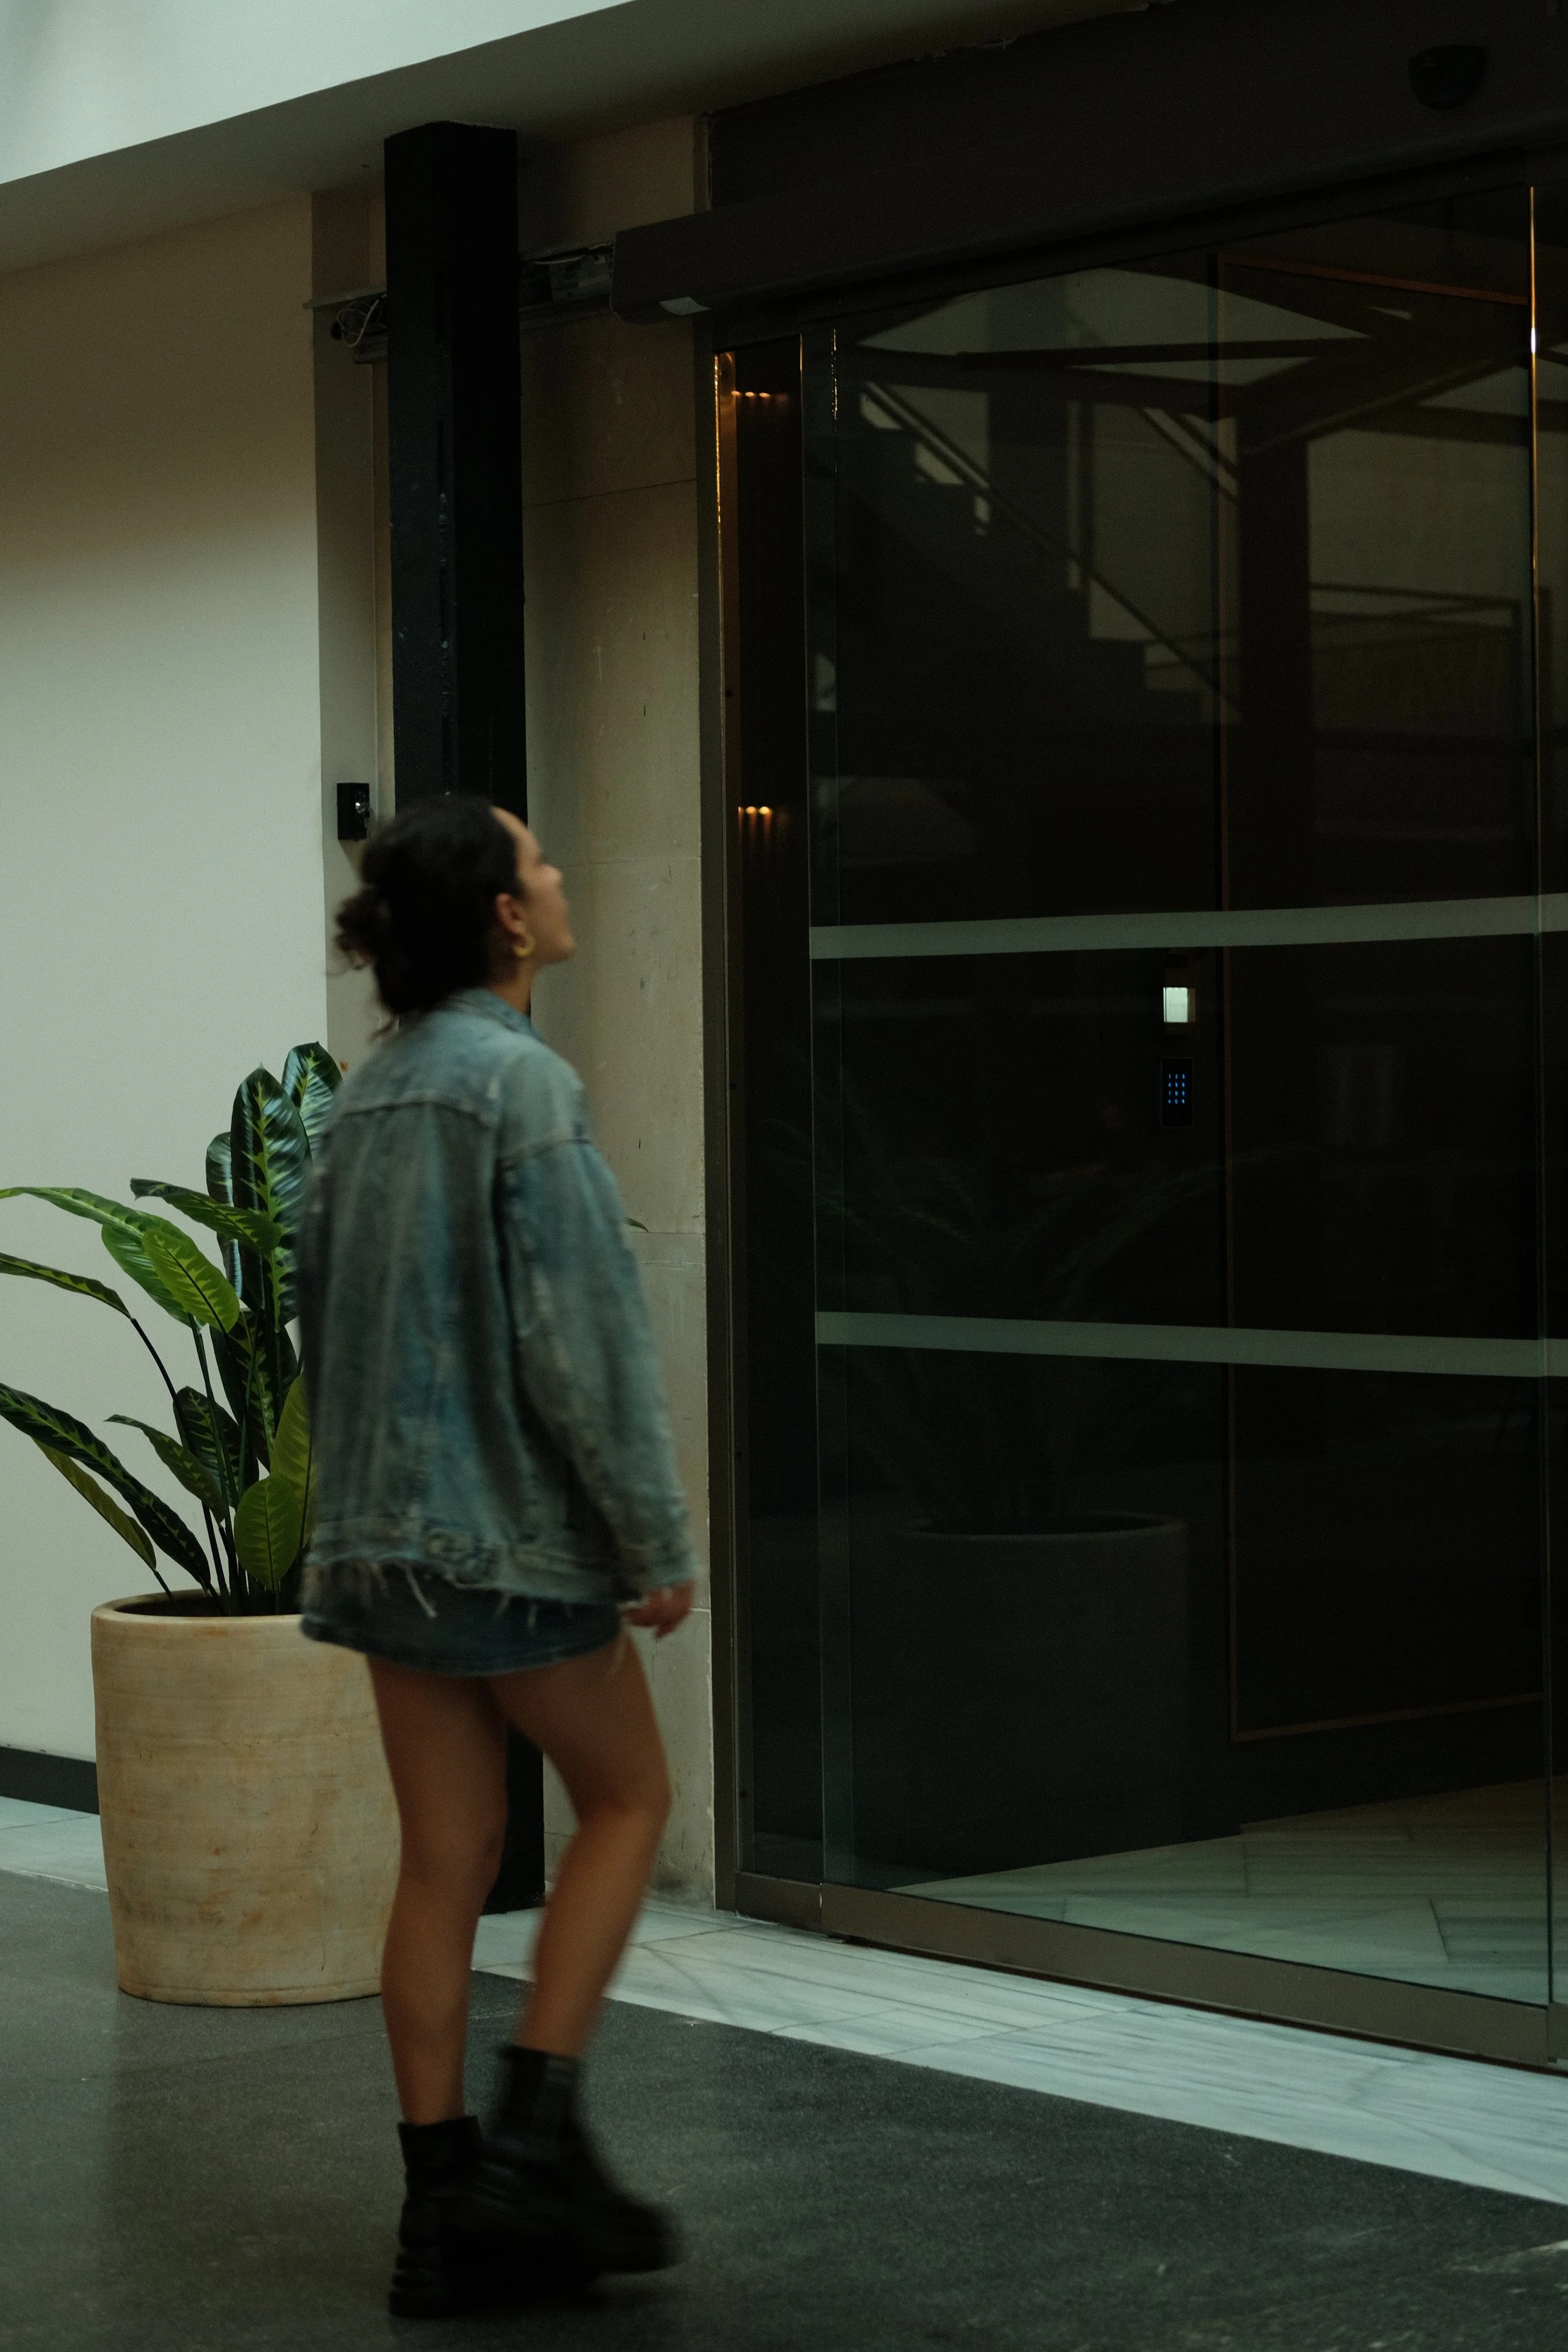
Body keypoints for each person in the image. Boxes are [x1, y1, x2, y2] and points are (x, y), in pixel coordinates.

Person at [297, 795, 697, 2319]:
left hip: (381, 1553)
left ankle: (437, 2220)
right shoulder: (521, 1087)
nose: (558, 872)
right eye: (538, 860)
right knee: (627, 1799)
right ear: (506, 919)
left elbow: (320, 1327)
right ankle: (537, 2150)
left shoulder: (366, 1093)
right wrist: (647, 1540)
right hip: (514, 1547)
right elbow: (582, 1341)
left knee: (444, 1865)